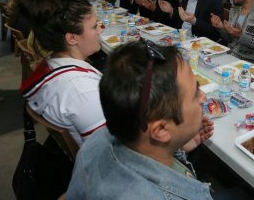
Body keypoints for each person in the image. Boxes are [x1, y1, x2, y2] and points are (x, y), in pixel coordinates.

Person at [66, 42, 215, 199]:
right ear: (161, 130)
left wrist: (176, 147)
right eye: (195, 93)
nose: (203, 97)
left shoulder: (97, 139)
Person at [18, 0, 106, 145]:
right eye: (94, 27)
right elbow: (107, 153)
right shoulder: (83, 91)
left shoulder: (52, 62)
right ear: (72, 38)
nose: (101, 29)